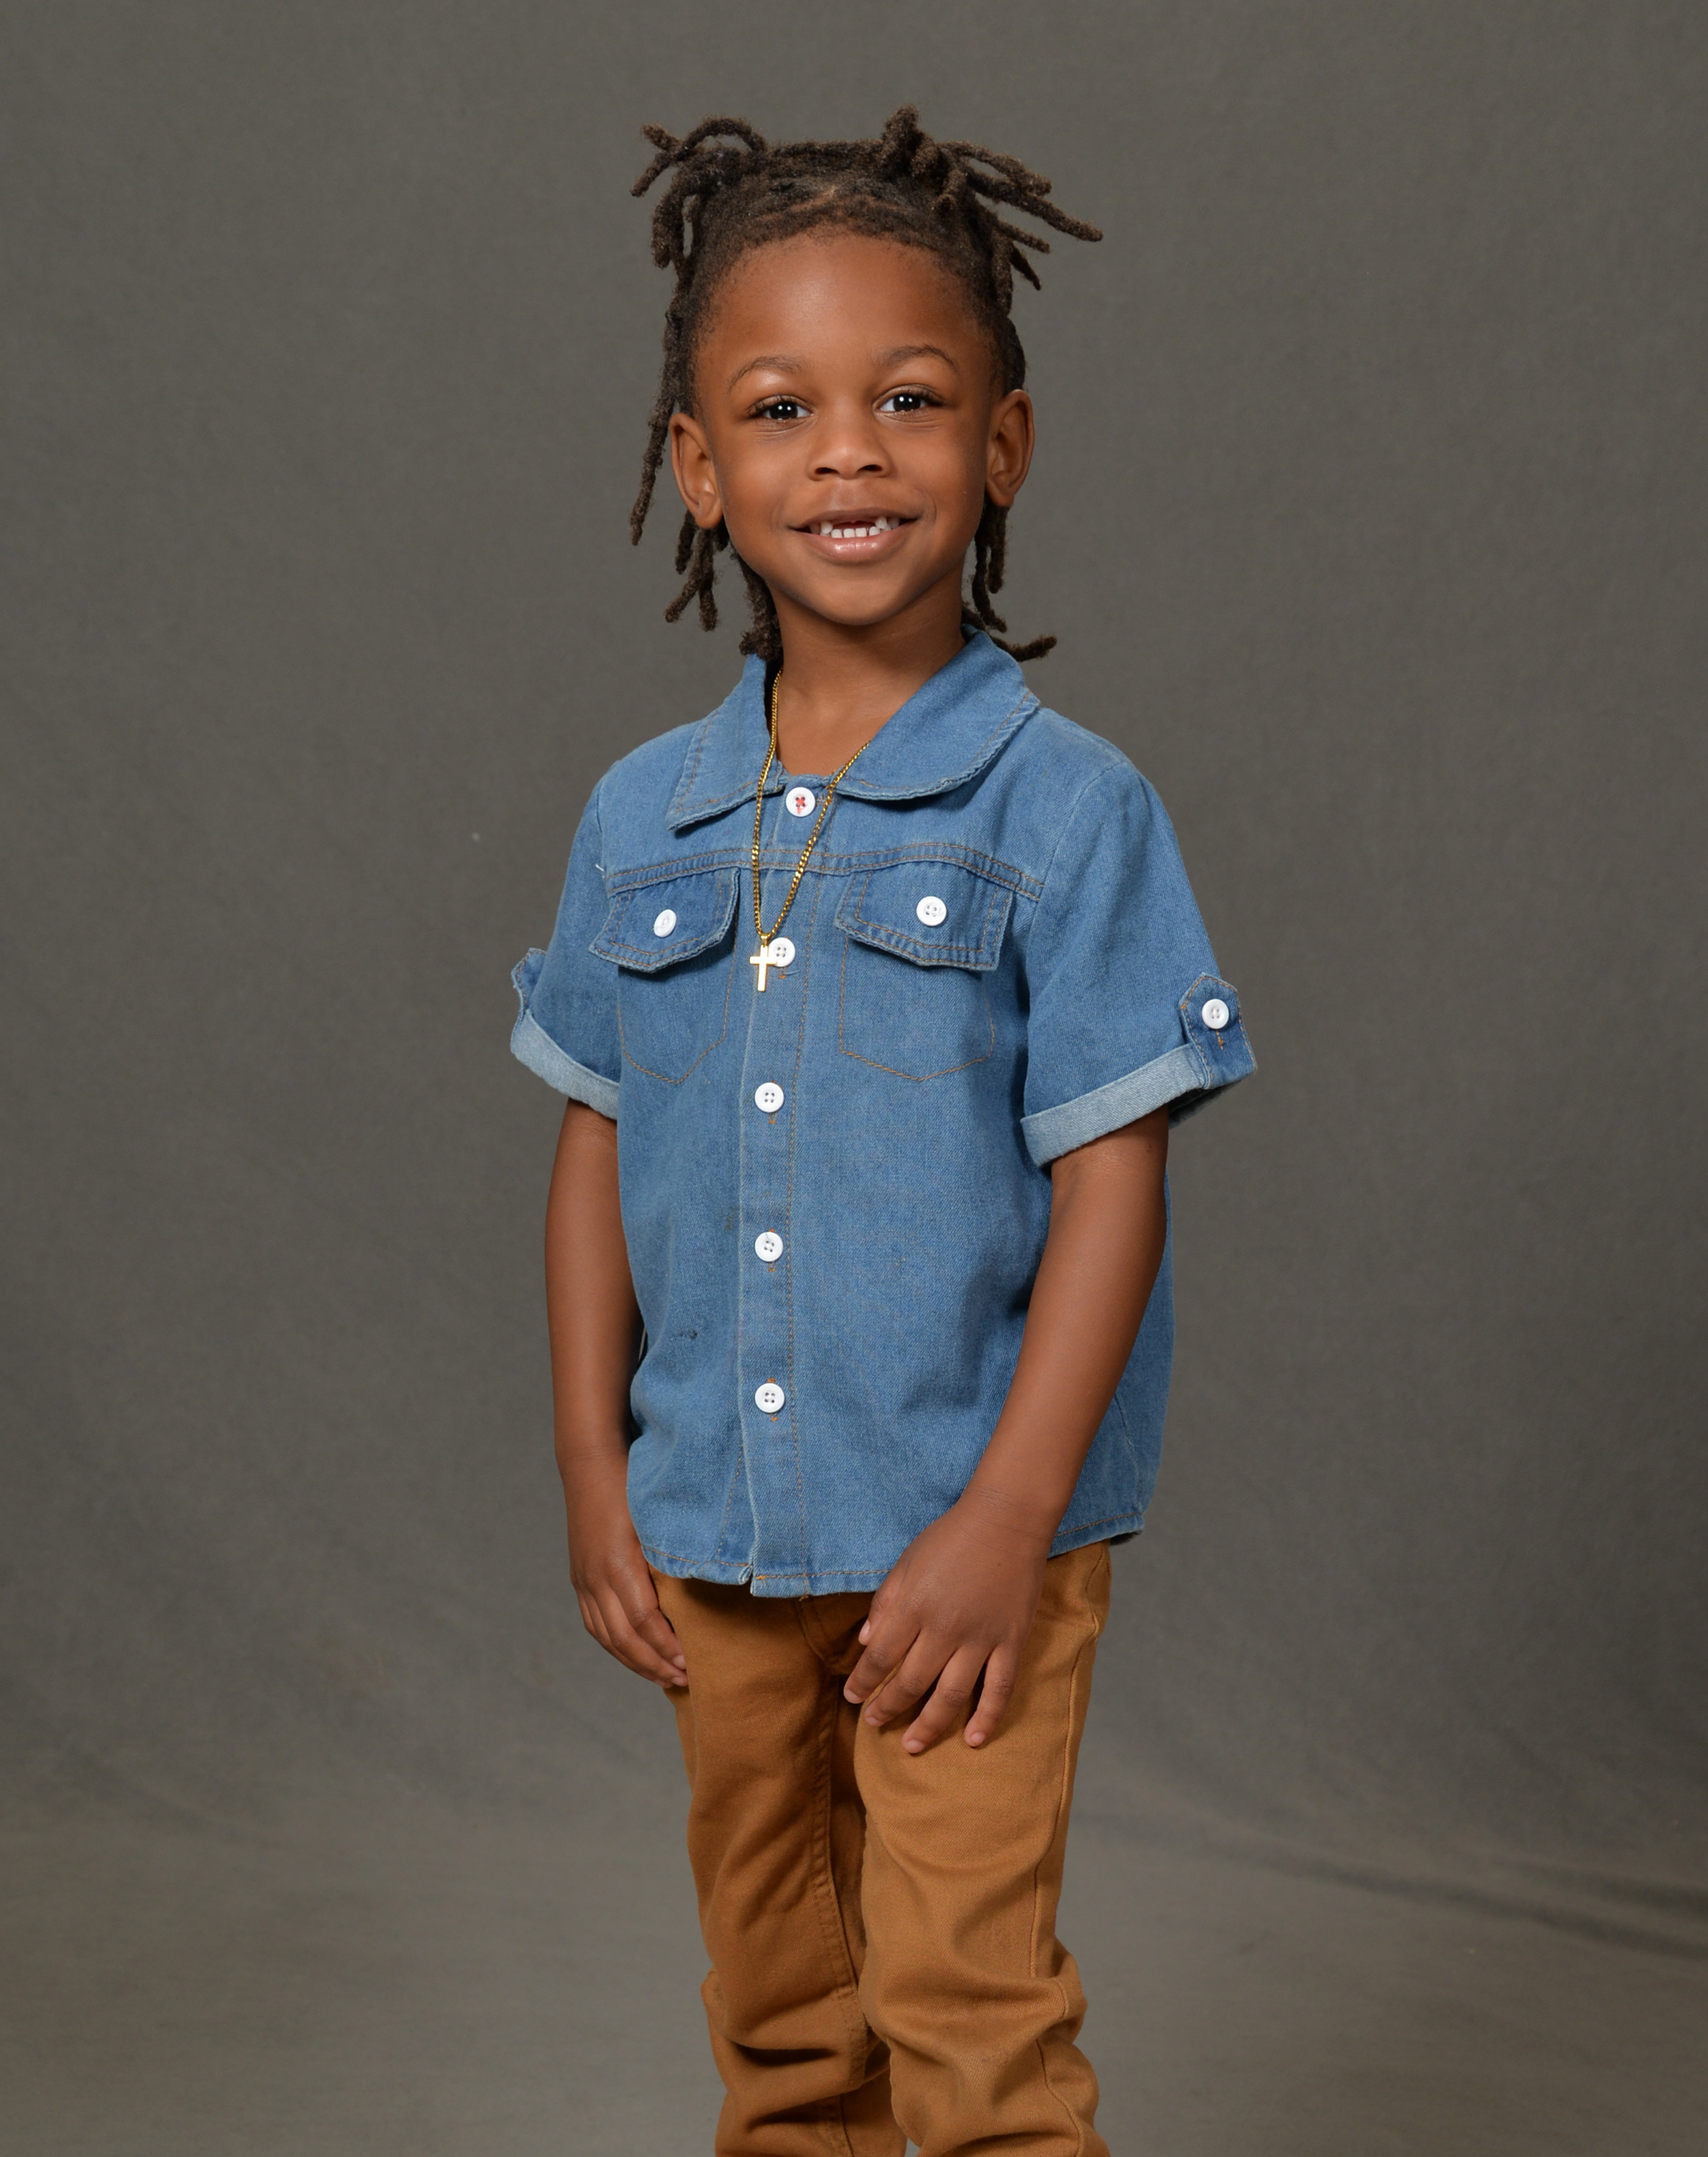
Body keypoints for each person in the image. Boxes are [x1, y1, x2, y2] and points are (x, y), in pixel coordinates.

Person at [510, 108, 1254, 2157]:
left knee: (964, 2007)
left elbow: (1116, 1174)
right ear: (698, 470)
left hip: (965, 1549)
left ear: (1002, 447)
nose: (849, 453)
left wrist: (1011, 1518)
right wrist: (592, 1468)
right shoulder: (639, 818)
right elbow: (595, 1148)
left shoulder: (1071, 810)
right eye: (784, 410)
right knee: (782, 2016)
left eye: (909, 400)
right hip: (720, 1531)